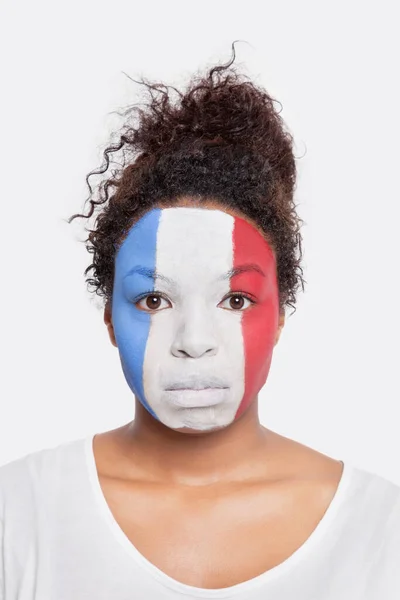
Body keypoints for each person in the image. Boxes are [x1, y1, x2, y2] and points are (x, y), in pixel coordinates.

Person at [1, 42, 399, 599]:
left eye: (234, 300)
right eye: (154, 301)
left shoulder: (382, 531)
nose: (192, 343)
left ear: (281, 313)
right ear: (110, 317)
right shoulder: (17, 515)